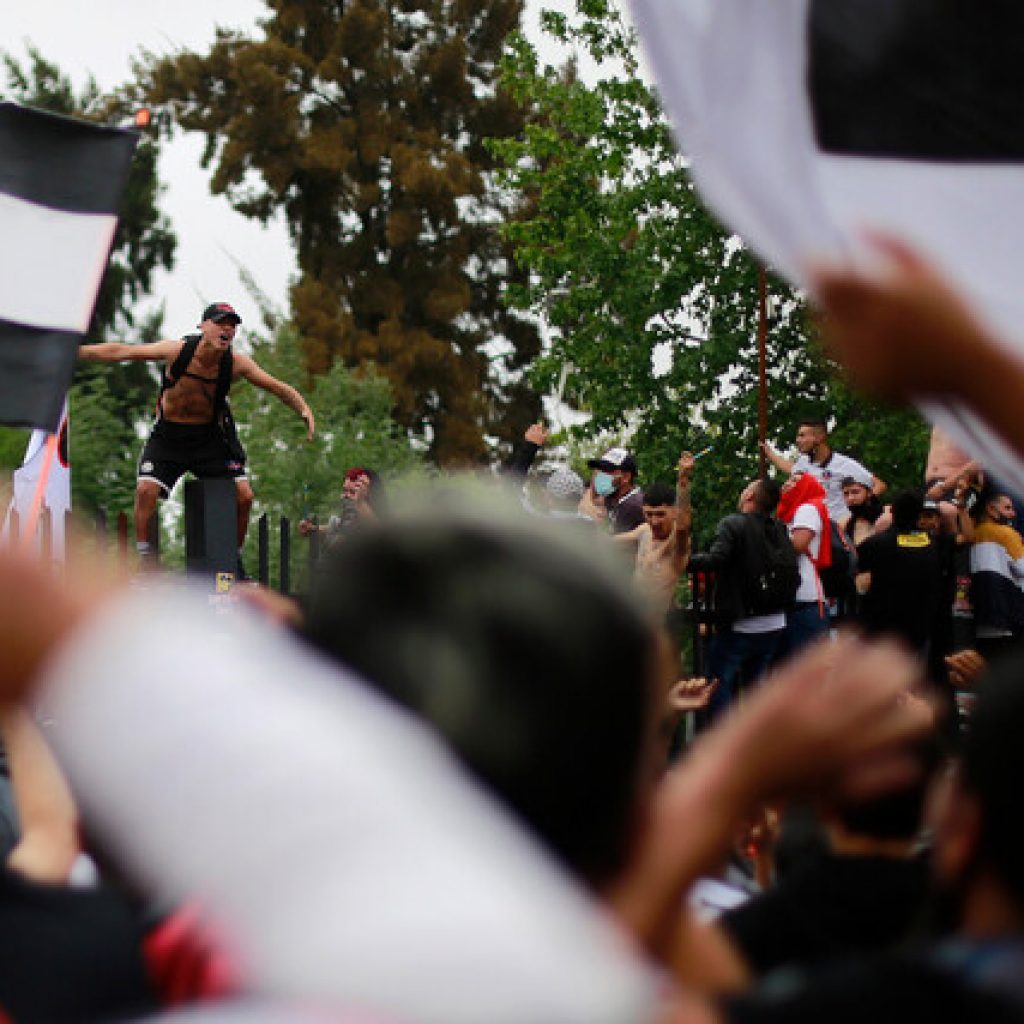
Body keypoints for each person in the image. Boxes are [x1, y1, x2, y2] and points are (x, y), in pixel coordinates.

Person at [80, 302, 315, 565]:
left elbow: (277, 387)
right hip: (168, 438)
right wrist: (76, 352)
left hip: (210, 440)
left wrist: (303, 408)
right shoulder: (177, 351)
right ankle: (146, 556)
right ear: (203, 326)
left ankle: (232, 560)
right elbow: (122, 351)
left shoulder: (236, 364)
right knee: (145, 489)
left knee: (244, 497)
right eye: (220, 323)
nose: (227, 329)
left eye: (232, 325)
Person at [689, 477, 796, 719]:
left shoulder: (733, 524)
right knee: (756, 688)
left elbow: (717, 559)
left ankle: (724, 740)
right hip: (775, 621)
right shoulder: (779, 529)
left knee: (717, 684)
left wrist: (684, 561)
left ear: (749, 496)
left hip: (741, 622)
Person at [855, 490, 943, 657]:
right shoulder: (932, 545)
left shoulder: (877, 544)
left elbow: (858, 572)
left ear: (893, 511)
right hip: (919, 633)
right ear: (919, 514)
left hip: (881, 635)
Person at [615, 454, 695, 620]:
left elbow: (683, 526)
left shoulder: (676, 543)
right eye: (649, 514)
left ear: (673, 512)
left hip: (656, 627)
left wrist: (683, 480)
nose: (654, 521)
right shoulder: (644, 531)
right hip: (630, 623)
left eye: (660, 514)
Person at [763, 419, 884, 525]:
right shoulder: (803, 462)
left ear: (819, 437)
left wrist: (858, 508)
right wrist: (769, 453)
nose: (798, 440)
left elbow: (879, 485)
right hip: (816, 527)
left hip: (839, 528)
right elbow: (790, 468)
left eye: (802, 435)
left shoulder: (844, 464)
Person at [776, 472, 831, 655]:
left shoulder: (807, 509)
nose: (788, 484)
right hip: (798, 601)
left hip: (804, 600)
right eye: (788, 479)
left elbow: (798, 545)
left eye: (795, 481)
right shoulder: (792, 512)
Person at [969, 488, 1024, 661]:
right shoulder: (1007, 534)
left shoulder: (972, 534)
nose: (1013, 514)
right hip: (1008, 617)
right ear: (991, 510)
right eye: (1007, 508)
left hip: (980, 619)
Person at [298, 467, 382, 542]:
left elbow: (380, 535)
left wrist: (360, 503)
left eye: (352, 492)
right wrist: (312, 529)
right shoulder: (350, 520)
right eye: (345, 491)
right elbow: (337, 528)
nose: (346, 496)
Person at [583, 447, 645, 533]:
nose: (601, 475)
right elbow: (595, 499)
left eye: (607, 470)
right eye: (600, 470)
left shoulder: (633, 506)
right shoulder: (615, 497)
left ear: (626, 477)